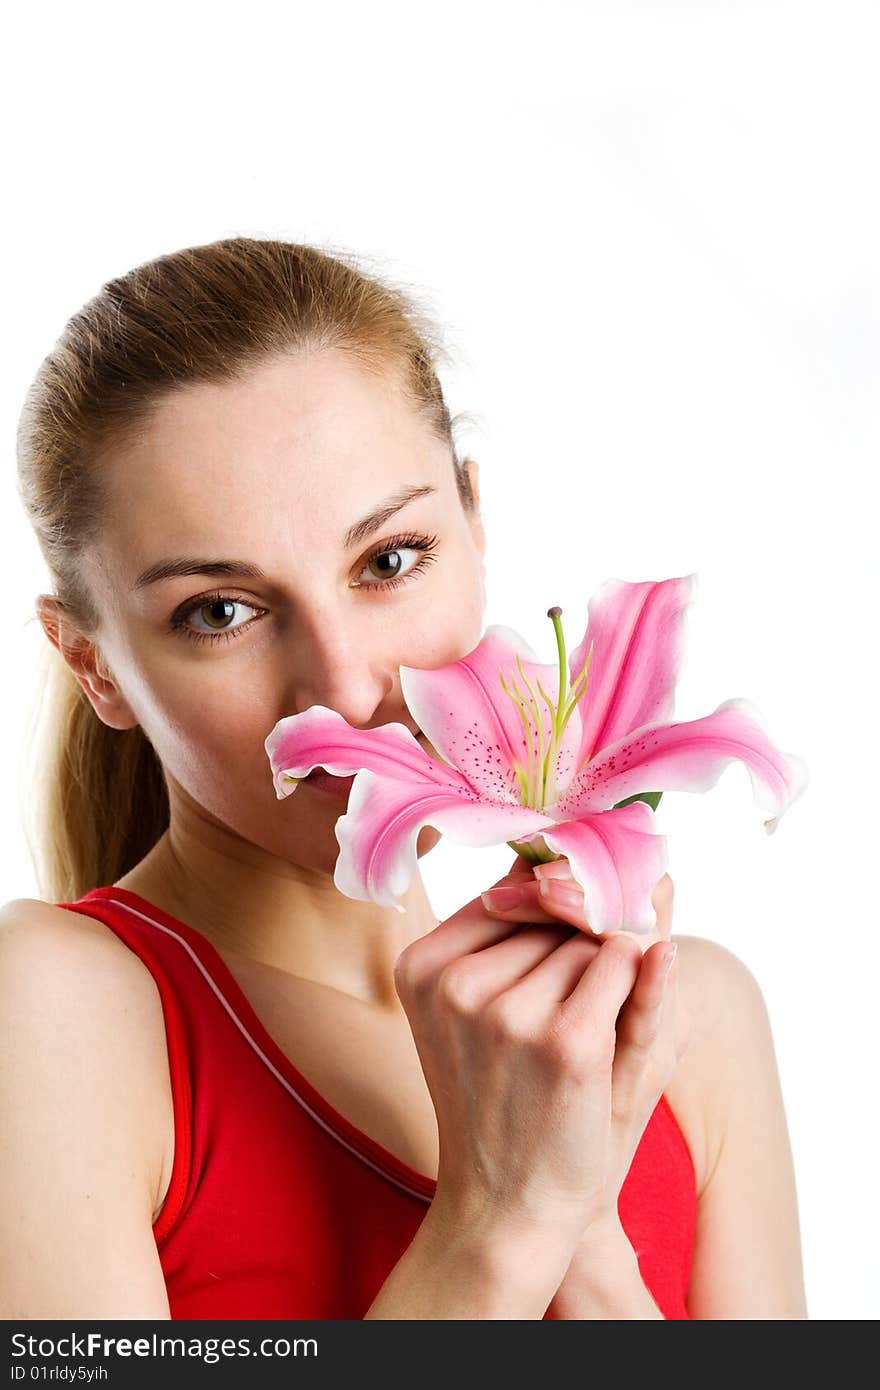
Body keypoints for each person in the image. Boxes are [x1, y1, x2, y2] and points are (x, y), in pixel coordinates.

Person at [1, 237, 807, 1320]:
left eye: (389, 560)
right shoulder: (54, 1015)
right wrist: (498, 1224)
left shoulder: (690, 1022)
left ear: (474, 524)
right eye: (219, 612)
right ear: (93, 662)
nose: (344, 688)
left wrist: (586, 1239)